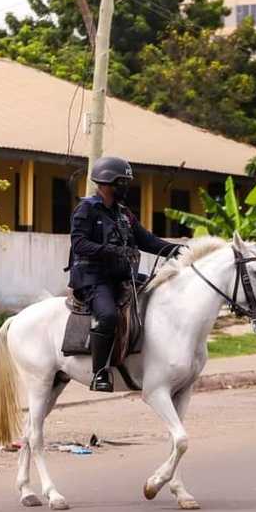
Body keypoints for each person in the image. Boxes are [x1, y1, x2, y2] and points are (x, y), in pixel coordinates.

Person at [68, 156, 184, 392]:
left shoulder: (124, 214)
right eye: (122, 182)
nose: (126, 187)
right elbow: (79, 244)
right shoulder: (86, 209)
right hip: (93, 278)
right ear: (107, 183)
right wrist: (109, 250)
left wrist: (179, 250)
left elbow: (147, 241)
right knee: (108, 315)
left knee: (160, 294)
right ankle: (100, 373)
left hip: (120, 277)